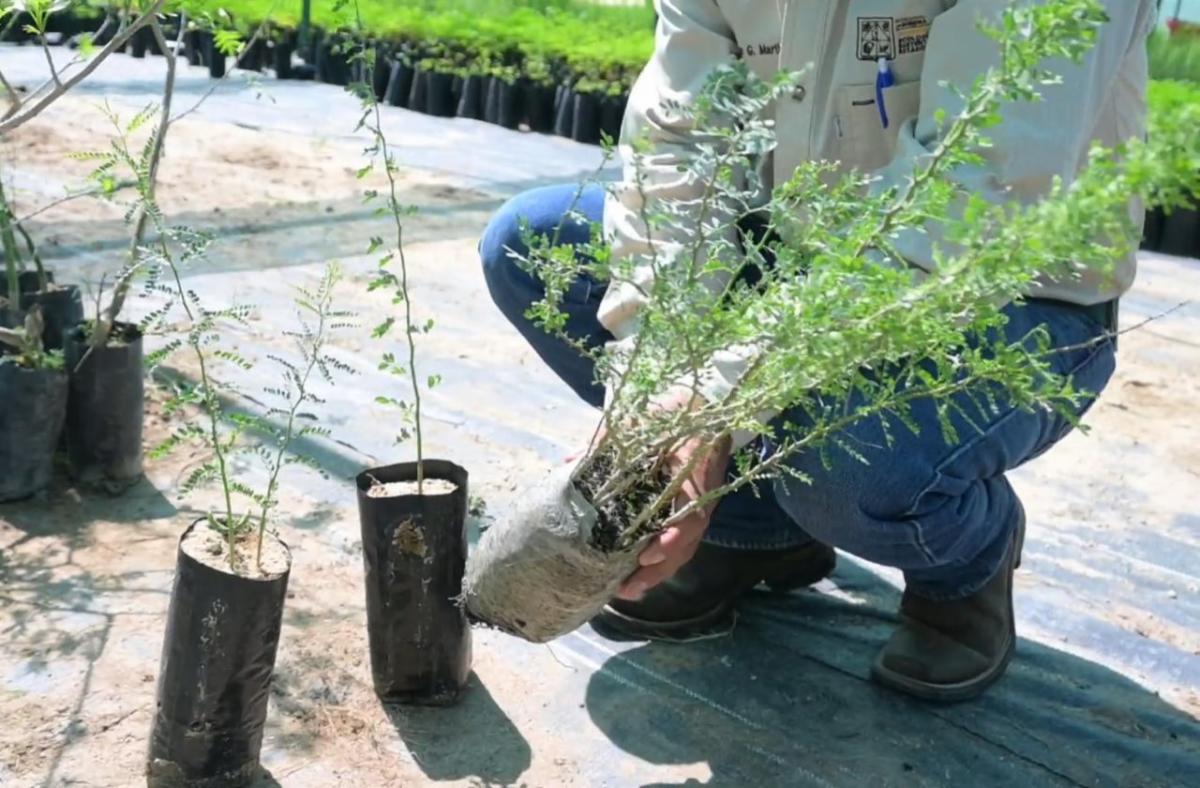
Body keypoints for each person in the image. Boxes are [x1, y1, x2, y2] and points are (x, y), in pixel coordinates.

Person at [480, 0, 1156, 702]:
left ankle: (965, 561)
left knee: (840, 454)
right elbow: (680, 147)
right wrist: (661, 379)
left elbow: (970, 195)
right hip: (798, 250)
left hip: (1010, 292)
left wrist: (719, 399)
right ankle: (751, 530)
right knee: (534, 247)